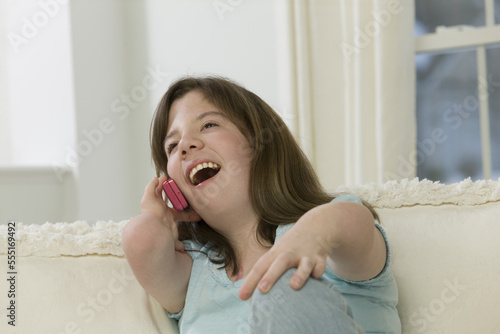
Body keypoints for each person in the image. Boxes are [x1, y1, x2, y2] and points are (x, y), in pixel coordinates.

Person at [122, 76, 401, 333]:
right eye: (172, 146)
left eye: (209, 125)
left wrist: (311, 234)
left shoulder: (329, 239)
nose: (185, 146)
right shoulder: (194, 273)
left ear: (259, 144)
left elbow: (353, 220)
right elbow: (140, 241)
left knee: (283, 287)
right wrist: (159, 216)